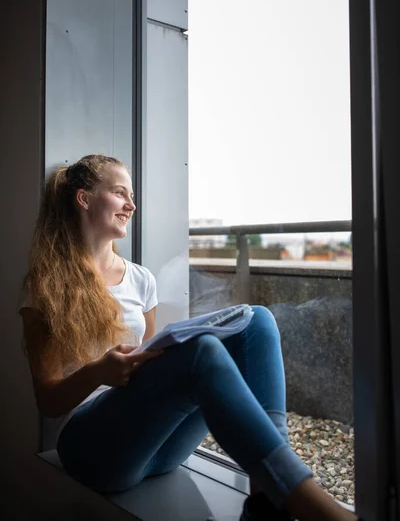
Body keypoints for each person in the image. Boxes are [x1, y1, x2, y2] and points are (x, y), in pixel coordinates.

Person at [20, 154, 361, 521]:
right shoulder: (45, 286)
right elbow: (48, 400)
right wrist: (99, 373)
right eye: (120, 193)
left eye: (132, 195)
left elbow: (148, 359)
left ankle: (267, 497)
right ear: (84, 199)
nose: (131, 205)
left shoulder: (141, 279)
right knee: (201, 351)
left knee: (257, 320)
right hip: (91, 450)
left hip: (157, 447)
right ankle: (310, 503)